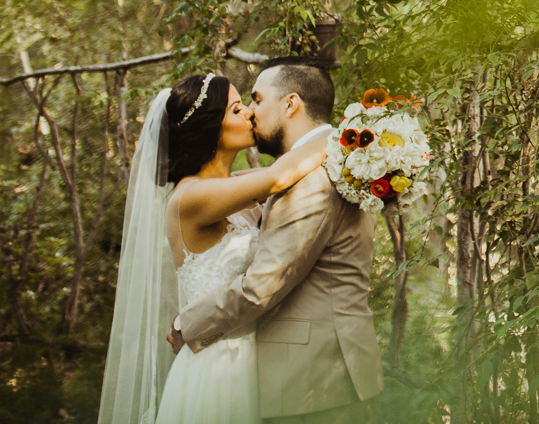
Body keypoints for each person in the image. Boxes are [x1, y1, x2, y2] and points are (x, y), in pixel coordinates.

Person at [96, 71, 323, 424]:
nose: (249, 112)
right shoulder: (190, 197)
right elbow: (279, 177)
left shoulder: (232, 183)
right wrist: (347, 137)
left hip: (257, 358)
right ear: (211, 129)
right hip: (220, 368)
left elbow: (284, 172)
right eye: (236, 109)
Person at [175, 57, 385, 424]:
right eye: (240, 107)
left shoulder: (312, 174)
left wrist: (187, 325)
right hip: (286, 375)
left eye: (254, 100)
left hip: (313, 380)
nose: (251, 114)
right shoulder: (332, 162)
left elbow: (261, 286)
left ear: (290, 104)